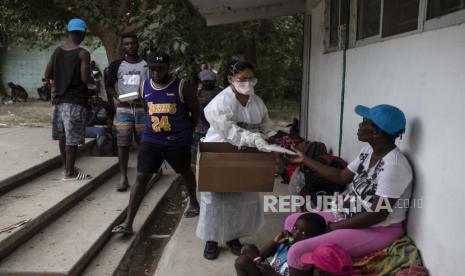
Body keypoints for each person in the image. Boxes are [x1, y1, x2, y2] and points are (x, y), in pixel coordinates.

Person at [285, 104, 412, 276]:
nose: (360, 125)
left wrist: (334, 227)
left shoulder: (394, 167)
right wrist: (305, 160)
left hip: (377, 229)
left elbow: (378, 214)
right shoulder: (368, 151)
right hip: (347, 214)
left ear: (376, 133)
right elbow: (341, 177)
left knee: (296, 252)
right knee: (293, 221)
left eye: (365, 122)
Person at [112, 52, 201, 235]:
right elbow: (148, 109)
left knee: (185, 172)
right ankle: (128, 223)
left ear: (168, 68)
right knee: (141, 178)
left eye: (160, 69)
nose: (156, 73)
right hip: (152, 140)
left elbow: (195, 112)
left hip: (177, 141)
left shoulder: (181, 86)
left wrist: (186, 133)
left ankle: (193, 201)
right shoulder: (144, 86)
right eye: (152, 69)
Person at [196, 60, 276, 260]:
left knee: (239, 198)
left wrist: (270, 138)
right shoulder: (220, 102)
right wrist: (255, 139)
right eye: (242, 79)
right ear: (230, 79)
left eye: (251, 79)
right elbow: (230, 132)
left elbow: (266, 123)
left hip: (245, 153)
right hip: (220, 154)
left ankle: (233, 238)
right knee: (215, 199)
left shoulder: (256, 101)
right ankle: (211, 240)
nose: (248, 83)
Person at [44, 18, 93, 181]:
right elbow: (85, 79)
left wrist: (58, 83)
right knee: (71, 139)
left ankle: (67, 167)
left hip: (58, 101)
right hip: (75, 100)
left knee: (62, 136)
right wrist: (93, 81)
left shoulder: (57, 51)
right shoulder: (83, 53)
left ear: (69, 32)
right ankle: (70, 173)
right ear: (83, 33)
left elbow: (47, 75)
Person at [105, 32, 148, 192]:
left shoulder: (146, 64)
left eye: (133, 43)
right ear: (123, 46)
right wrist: (118, 97)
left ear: (138, 44)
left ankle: (142, 176)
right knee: (123, 143)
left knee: (144, 143)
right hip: (123, 109)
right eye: (127, 44)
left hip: (142, 109)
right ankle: (123, 177)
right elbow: (109, 86)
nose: (130, 46)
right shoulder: (116, 65)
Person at [234, 213, 327, 276]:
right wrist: (274, 242)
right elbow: (262, 255)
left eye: (303, 233)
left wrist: (273, 274)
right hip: (266, 271)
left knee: (243, 259)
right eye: (295, 228)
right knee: (245, 253)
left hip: (272, 274)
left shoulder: (309, 257)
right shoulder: (286, 244)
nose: (295, 234)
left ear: (316, 238)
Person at [193, 69, 222, 143]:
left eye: (210, 81)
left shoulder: (220, 92)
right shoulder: (197, 92)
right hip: (199, 129)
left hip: (215, 129)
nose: (207, 83)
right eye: (205, 81)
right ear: (201, 81)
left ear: (214, 81)